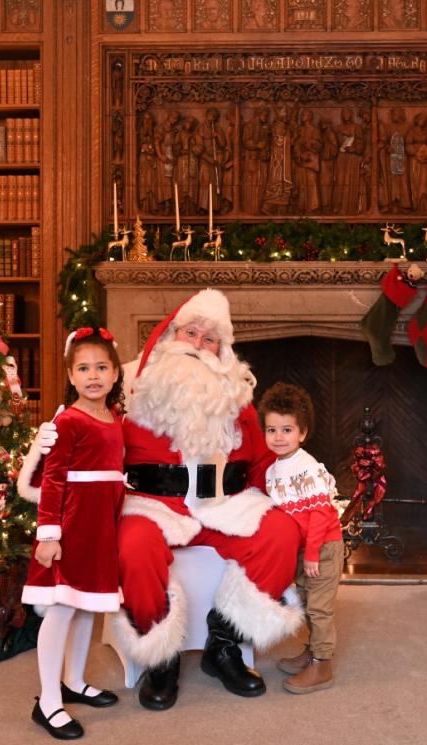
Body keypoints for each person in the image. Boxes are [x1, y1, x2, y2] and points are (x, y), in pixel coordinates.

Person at [22, 289, 303, 711]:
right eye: (191, 333)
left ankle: (224, 643)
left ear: (223, 350)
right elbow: (88, 447)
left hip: (223, 504)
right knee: (133, 547)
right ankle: (161, 656)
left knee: (281, 533)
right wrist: (48, 453)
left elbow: (263, 461)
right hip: (153, 504)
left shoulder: (237, 400)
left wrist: (301, 499)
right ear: (172, 336)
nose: (199, 346)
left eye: (210, 339)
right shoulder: (132, 392)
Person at [22, 326, 127, 739]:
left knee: (87, 606)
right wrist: (49, 534)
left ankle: (74, 680)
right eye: (83, 368)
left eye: (101, 367)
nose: (93, 375)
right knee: (64, 606)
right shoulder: (67, 421)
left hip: (101, 525)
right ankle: (48, 702)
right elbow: (53, 479)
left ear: (115, 374)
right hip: (72, 525)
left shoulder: (114, 419)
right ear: (70, 376)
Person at [258, 382, 343, 694]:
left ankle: (323, 664)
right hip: (302, 550)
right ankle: (312, 651)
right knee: (306, 603)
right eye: (272, 430)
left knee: (319, 607)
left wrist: (312, 553)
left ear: (302, 433)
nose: (279, 437)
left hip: (323, 547)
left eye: (287, 430)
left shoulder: (307, 467)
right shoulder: (273, 471)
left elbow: (320, 514)